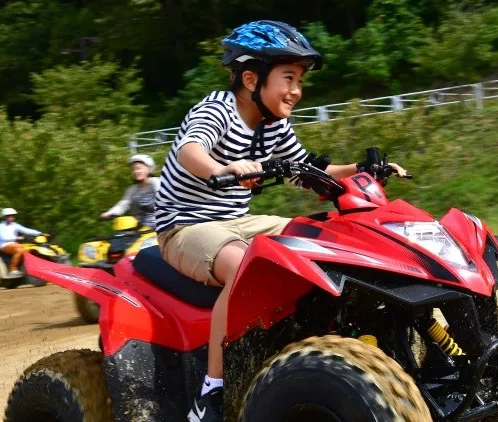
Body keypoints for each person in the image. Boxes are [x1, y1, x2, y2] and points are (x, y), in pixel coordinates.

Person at [153, 20, 407, 422]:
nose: (296, 90)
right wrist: (223, 168)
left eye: (300, 81)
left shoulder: (275, 125)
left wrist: (364, 170)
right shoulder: (217, 108)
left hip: (238, 220)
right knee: (246, 266)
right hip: (185, 225)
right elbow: (190, 149)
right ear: (251, 78)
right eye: (288, 77)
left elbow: (308, 170)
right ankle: (211, 393)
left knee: (325, 241)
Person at [100, 154, 161, 229]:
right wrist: (109, 213)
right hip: (143, 228)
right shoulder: (132, 189)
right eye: (133, 169)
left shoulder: (155, 182)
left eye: (139, 168)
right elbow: (123, 204)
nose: (136, 171)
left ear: (148, 169)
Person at [0, 208, 48, 276]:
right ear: (4, 217)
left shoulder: (14, 225)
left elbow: (26, 230)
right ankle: (13, 269)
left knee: (30, 247)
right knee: (19, 250)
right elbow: (3, 238)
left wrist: (40, 233)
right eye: (9, 216)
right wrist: (16, 238)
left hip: (14, 244)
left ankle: (30, 266)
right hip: (3, 245)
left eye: (12, 216)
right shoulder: (0, 226)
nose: (11, 217)